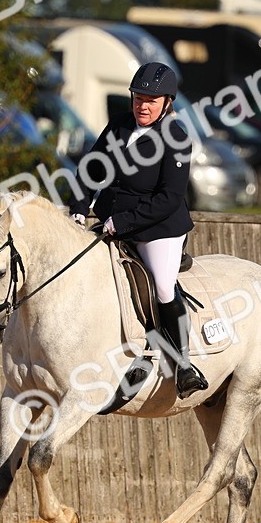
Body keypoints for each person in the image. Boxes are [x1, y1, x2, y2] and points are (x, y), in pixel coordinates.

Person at [69, 62, 209, 399]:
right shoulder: (118, 125)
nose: (142, 106)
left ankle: (183, 364)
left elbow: (169, 198)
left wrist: (122, 223)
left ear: (167, 103)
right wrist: (78, 208)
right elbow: (91, 168)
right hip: (112, 221)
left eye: (150, 101)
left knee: (162, 286)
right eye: (138, 98)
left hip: (158, 228)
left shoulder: (176, 138)